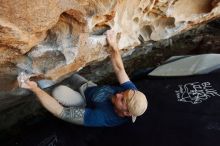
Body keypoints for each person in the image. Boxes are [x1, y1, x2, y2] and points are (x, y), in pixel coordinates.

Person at [20, 30, 148, 127]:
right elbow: (120, 69)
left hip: (84, 103)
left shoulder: (102, 117)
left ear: (126, 113)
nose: (119, 93)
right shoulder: (131, 94)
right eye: (123, 92)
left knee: (57, 91)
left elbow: (61, 112)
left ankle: (43, 85)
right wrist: (113, 46)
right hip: (89, 87)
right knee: (70, 73)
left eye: (122, 99)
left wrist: (35, 89)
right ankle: (51, 78)